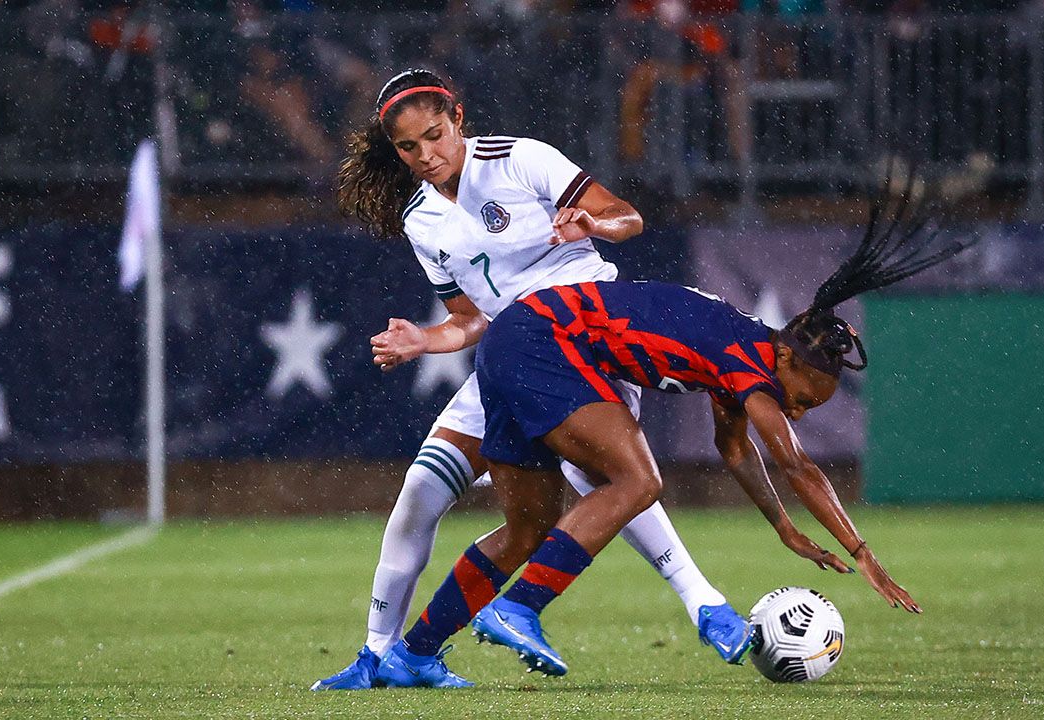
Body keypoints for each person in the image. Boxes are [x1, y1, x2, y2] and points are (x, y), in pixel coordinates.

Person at [380, 178, 969, 685]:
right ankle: (522, 607)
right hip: (541, 342)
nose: (801, 412)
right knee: (637, 480)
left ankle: (413, 654)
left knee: (527, 530)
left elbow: (734, 451)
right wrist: (864, 554)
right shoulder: (749, 362)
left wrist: (785, 528)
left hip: (517, 343)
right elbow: (798, 466)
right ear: (785, 362)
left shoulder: (740, 356)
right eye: (805, 399)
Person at [312, 68, 767, 690]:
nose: (426, 155)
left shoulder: (520, 159)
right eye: (409, 147)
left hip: (584, 335)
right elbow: (469, 319)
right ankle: (380, 656)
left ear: (460, 118)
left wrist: (591, 225)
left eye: (435, 136)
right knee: (420, 498)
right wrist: (425, 340)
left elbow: (626, 217)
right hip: (509, 352)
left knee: (607, 477)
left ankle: (703, 601)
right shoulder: (421, 221)